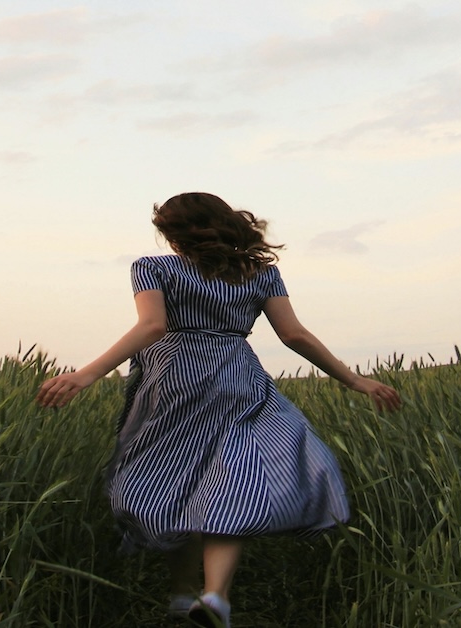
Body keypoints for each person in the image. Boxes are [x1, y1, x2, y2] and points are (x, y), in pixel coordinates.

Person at [35, 192, 401, 627]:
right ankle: (215, 598)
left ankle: (180, 596)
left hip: (173, 379)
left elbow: (153, 326)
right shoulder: (261, 273)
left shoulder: (153, 267)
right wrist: (356, 381)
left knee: (175, 479)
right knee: (233, 480)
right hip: (235, 376)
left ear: (171, 233)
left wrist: (88, 374)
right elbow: (294, 335)